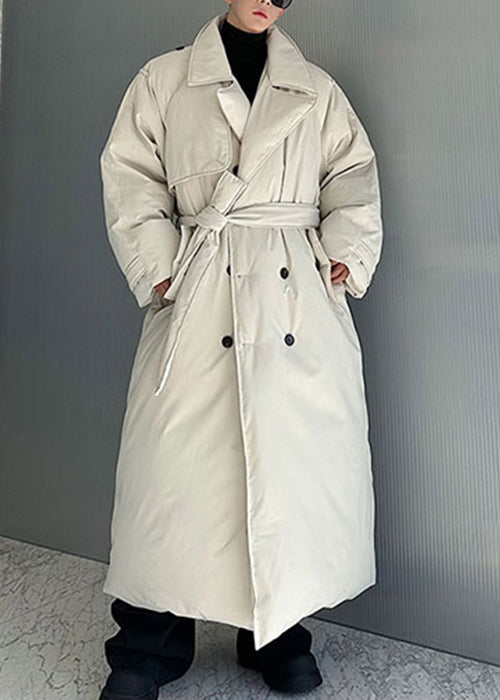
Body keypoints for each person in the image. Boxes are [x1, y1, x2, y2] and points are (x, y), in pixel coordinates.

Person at [98, 0, 383, 698]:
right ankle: (148, 645)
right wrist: (159, 269)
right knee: (173, 478)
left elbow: (352, 178)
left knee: (289, 472)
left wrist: (344, 255)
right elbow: (131, 176)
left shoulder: (316, 89)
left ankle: (277, 633)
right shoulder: (165, 79)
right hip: (200, 288)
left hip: (294, 300)